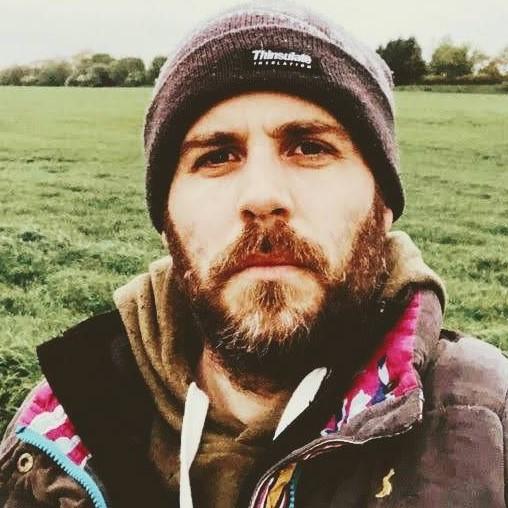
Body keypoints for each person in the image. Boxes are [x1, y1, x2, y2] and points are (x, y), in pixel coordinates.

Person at [1, 3, 507, 508]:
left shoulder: (489, 431)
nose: (263, 196)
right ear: (166, 220)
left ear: (384, 205)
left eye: (310, 147)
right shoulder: (53, 434)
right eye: (217, 156)